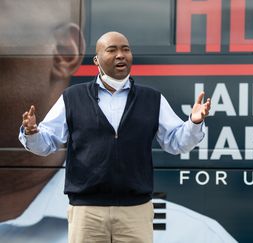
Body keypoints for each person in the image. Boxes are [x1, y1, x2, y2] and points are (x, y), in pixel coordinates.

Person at [18, 30, 214, 243]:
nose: (121, 55)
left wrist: (194, 123)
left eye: (125, 49)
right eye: (112, 50)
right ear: (96, 60)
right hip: (87, 211)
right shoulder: (73, 97)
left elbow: (176, 143)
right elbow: (46, 144)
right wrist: (31, 133)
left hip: (135, 211)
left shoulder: (152, 99)